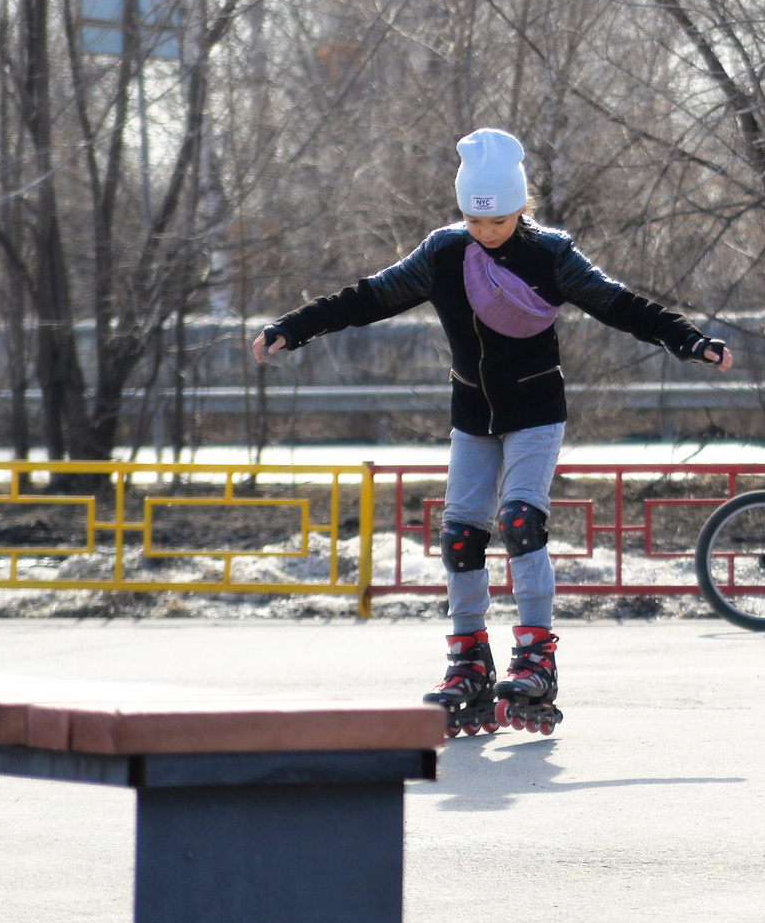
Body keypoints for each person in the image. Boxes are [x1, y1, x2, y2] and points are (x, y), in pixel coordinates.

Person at [255, 128, 733, 733]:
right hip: (473, 415)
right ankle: (468, 661)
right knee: (459, 534)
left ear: (520, 206)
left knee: (520, 522)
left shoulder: (551, 254)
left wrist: (688, 338)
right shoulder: (443, 253)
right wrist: (294, 327)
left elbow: (619, 303)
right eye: (476, 221)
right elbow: (368, 297)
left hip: (535, 410)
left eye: (501, 220)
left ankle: (536, 656)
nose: (487, 232)